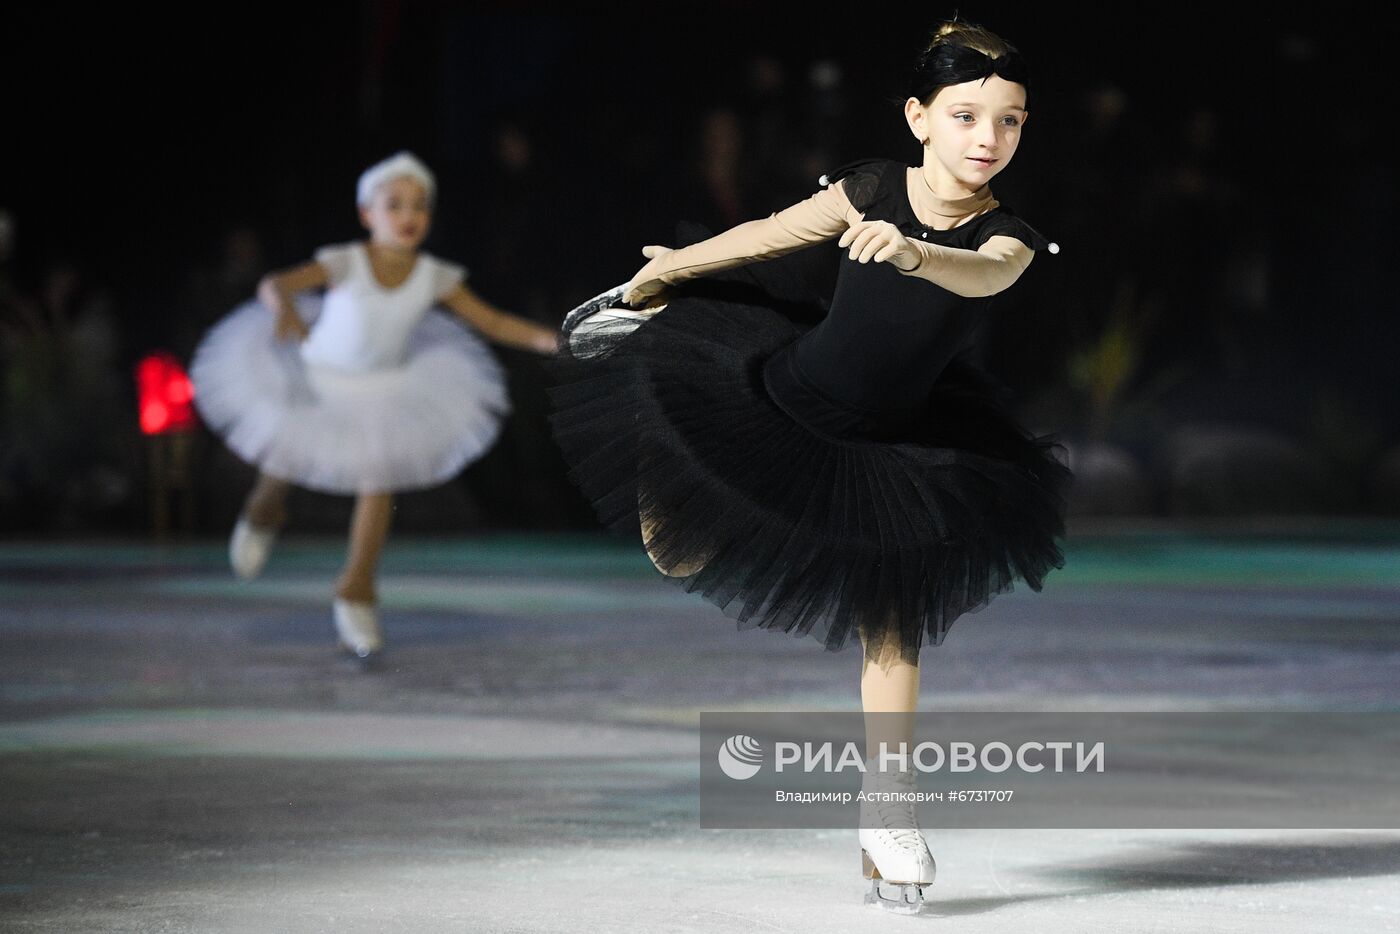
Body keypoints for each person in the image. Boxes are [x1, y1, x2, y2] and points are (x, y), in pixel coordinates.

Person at [543, 19, 1072, 912]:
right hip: (775, 403)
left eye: (1010, 121)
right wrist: (671, 269)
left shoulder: (1008, 234)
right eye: (967, 115)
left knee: (894, 622)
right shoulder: (868, 187)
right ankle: (669, 461)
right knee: (676, 549)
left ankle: (889, 812)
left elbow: (981, 277)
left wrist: (914, 254)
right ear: (919, 118)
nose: (989, 138)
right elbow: (767, 234)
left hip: (896, 449)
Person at [190, 151, 560, 666]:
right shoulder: (347, 261)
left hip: (386, 389)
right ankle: (261, 513)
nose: (408, 216)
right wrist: (288, 313)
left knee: (377, 481)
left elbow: (493, 323)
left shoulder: (435, 276)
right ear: (368, 214)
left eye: (419, 206)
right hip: (318, 379)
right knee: (281, 470)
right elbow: (275, 284)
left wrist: (549, 341)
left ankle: (356, 591)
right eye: (395, 205)